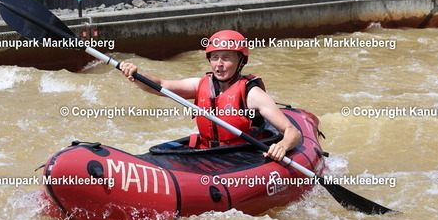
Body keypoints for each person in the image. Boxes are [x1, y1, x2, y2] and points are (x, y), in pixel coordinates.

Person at [118, 30, 302, 162]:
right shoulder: (199, 85)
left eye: (226, 58)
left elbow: (293, 132)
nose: (219, 64)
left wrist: (282, 146)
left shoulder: (252, 94)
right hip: (206, 153)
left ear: (240, 61)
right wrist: (135, 75)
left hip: (241, 155)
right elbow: (159, 86)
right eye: (215, 57)